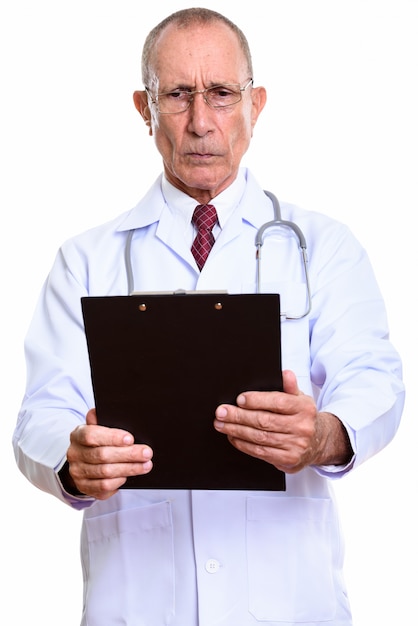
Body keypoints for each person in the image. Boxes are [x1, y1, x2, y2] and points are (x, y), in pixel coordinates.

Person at [13, 7, 405, 626]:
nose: (201, 122)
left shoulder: (322, 245)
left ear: (257, 105)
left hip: (287, 604)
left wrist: (323, 434)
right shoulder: (85, 261)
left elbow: (375, 380)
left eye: (222, 94)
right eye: (177, 95)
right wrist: (73, 461)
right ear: (144, 109)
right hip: (138, 605)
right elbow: (40, 413)